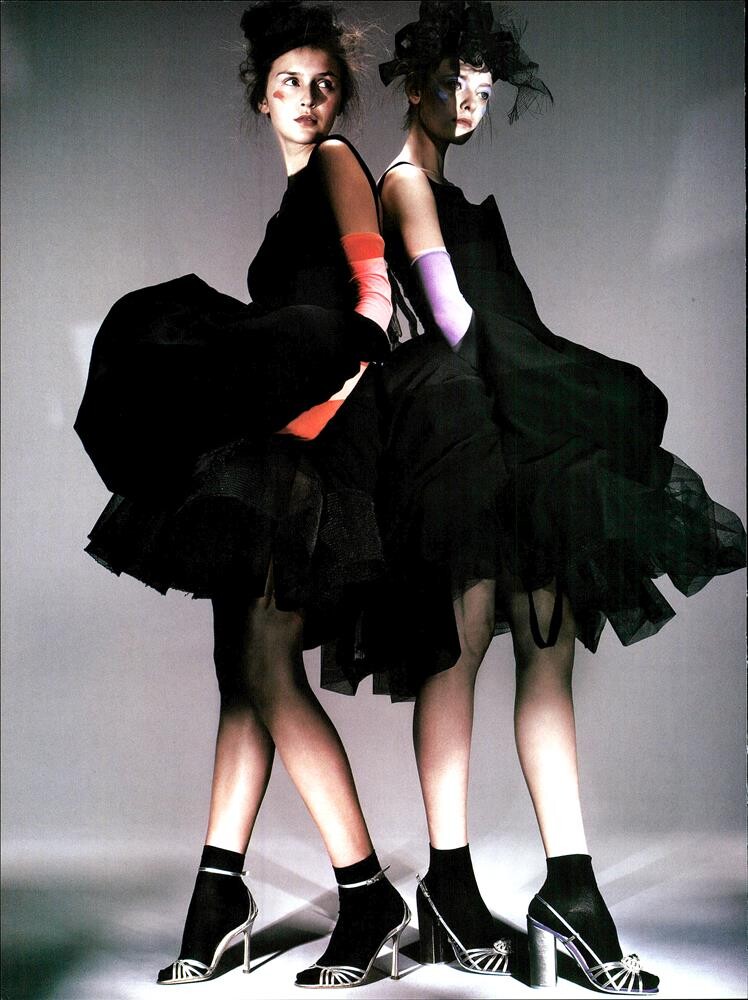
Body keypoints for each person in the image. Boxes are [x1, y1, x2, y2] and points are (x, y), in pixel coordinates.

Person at [324, 1, 746, 994]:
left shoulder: (454, 193)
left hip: (509, 420)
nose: (470, 104)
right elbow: (453, 319)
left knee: (545, 648)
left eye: (483, 90)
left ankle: (570, 886)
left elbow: (492, 315)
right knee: (460, 645)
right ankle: (453, 884)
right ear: (416, 85)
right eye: (455, 85)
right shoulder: (404, 182)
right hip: (462, 427)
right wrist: (568, 384)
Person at [74, 1, 410, 989]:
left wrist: (311, 418)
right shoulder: (290, 197)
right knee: (241, 668)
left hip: (321, 439)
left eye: (322, 86)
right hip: (278, 437)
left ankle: (366, 895)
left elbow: (375, 307)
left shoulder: (339, 162)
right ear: (261, 98)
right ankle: (219, 894)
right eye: (288, 84)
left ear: (338, 101)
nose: (306, 100)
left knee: (263, 663)